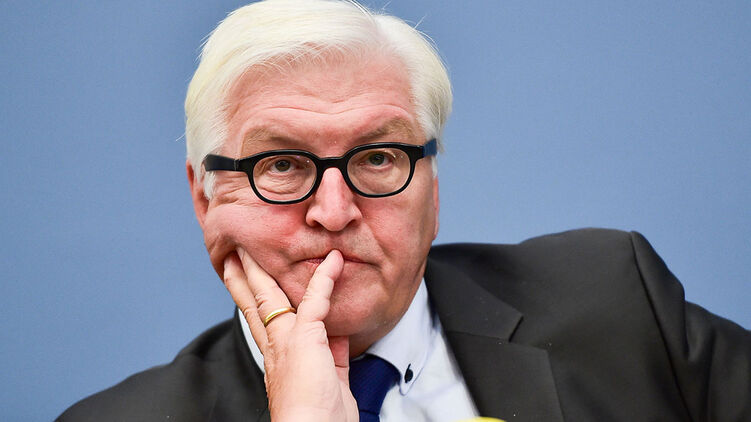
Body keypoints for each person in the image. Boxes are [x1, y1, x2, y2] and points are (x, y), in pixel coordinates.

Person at [58, 1, 750, 421]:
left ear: (432, 187)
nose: (335, 211)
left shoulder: (615, 299)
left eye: (377, 157)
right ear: (205, 196)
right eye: (282, 165)